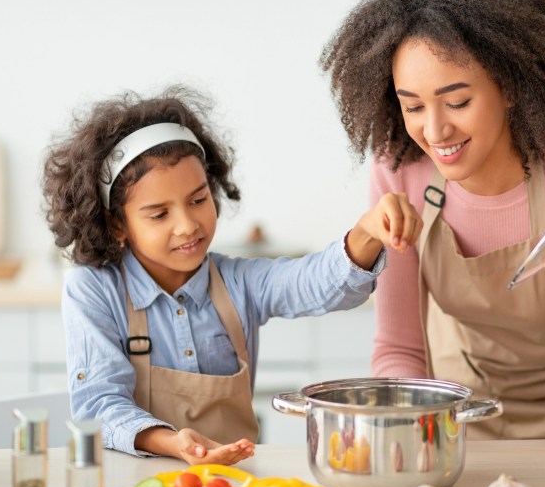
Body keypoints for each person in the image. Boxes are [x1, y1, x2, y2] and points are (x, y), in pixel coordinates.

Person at [320, 0, 545, 449]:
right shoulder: (400, 174)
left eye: (458, 101)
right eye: (413, 107)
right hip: (458, 415)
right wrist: (408, 436)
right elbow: (399, 347)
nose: (435, 131)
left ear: (510, 87)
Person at [41, 86, 421, 465]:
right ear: (116, 224)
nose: (187, 225)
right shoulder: (93, 289)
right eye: (159, 214)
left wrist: (367, 232)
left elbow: (312, 281)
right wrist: (174, 443)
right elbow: (99, 404)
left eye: (198, 200)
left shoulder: (238, 282)